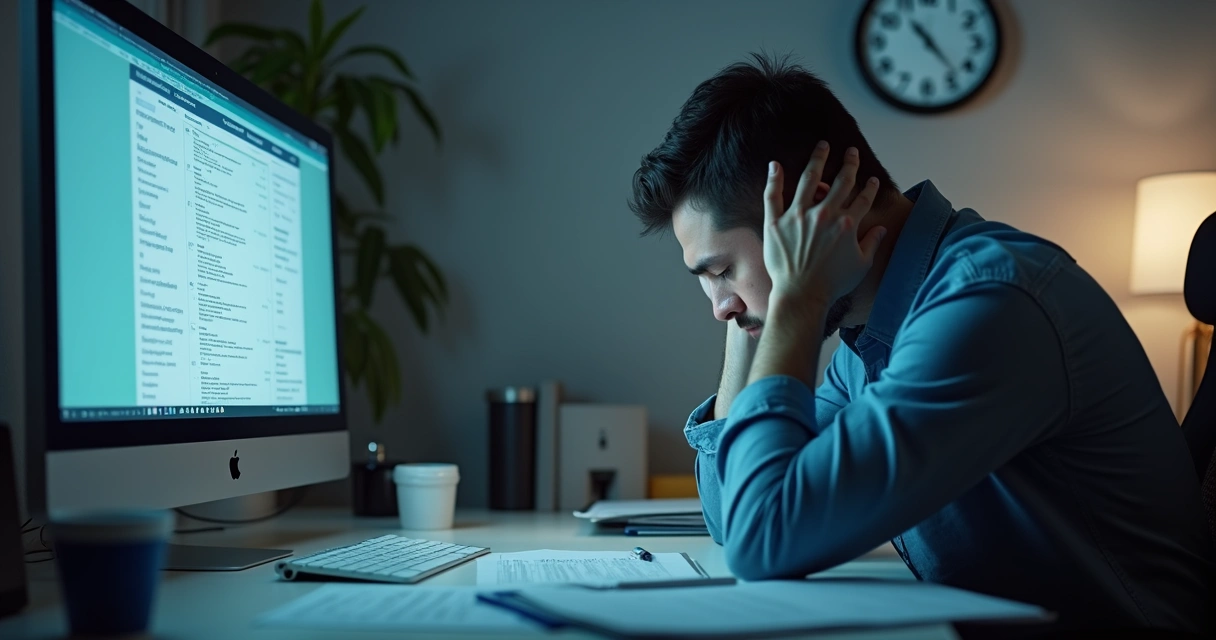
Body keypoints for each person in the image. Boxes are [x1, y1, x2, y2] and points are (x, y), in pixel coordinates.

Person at [628, 53, 1215, 635]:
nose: (719, 306)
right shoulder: (869, 338)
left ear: (813, 212)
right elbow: (737, 517)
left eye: (723, 269)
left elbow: (765, 539)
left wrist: (793, 302)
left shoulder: (988, 304)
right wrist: (751, 323)